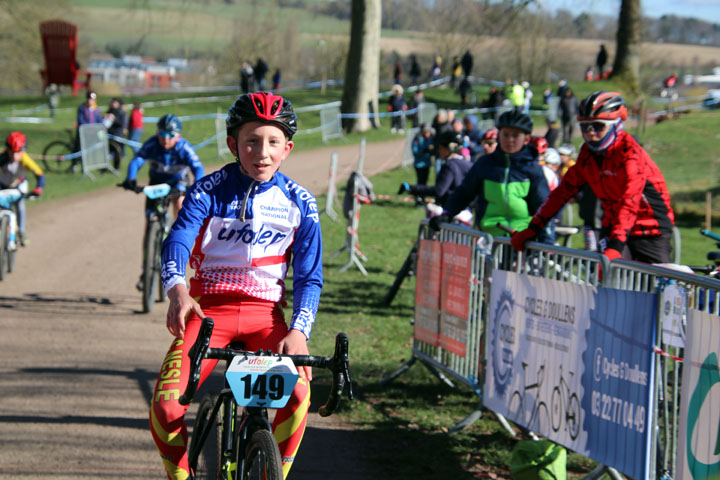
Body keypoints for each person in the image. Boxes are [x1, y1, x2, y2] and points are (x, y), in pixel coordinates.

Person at [149, 91, 321, 480]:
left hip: (266, 318)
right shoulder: (207, 191)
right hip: (208, 313)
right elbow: (177, 240)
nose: (262, 152)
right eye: (251, 141)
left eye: (273, 142)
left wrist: (300, 330)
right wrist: (177, 289)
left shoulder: (301, 203)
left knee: (298, 396)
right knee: (166, 408)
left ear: (287, 148)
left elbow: (309, 276)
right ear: (233, 144)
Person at [510, 91, 675, 264]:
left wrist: (616, 246)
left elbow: (629, 202)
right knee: (607, 280)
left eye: (598, 126)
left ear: (616, 124)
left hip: (649, 229)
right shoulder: (587, 154)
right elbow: (562, 192)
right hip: (612, 226)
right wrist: (534, 227)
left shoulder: (630, 155)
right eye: (584, 127)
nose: (590, 133)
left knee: (655, 285)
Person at [432, 110, 550, 239]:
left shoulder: (533, 169)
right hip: (488, 238)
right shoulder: (485, 164)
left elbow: (544, 208)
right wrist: (447, 213)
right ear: (499, 135)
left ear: (526, 139)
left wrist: (546, 242)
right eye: (505, 135)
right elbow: (464, 192)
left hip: (522, 239)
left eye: (515, 135)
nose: (510, 140)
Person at [121, 114, 204, 218]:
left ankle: (178, 231)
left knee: (179, 202)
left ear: (178, 136)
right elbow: (136, 161)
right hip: (157, 180)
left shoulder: (184, 147)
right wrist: (131, 178)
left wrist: (197, 184)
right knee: (150, 215)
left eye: (171, 135)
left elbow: (198, 168)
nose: (166, 139)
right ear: (157, 133)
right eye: (162, 134)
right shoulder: (152, 144)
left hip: (178, 180)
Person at [398, 130, 472, 222]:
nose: (439, 151)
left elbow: (439, 190)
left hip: (452, 215)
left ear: (449, 148)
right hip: (467, 214)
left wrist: (412, 188)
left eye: (441, 148)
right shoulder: (468, 165)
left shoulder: (449, 165)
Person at [0, 132, 45, 246]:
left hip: (19, 187)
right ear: (7, 150)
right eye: (12, 152)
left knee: (20, 204)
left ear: (23, 151)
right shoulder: (2, 158)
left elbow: (40, 174)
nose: (15, 156)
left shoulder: (25, 159)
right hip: (3, 186)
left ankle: (21, 231)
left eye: (18, 153)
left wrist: (38, 189)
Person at [104, 97, 127, 170]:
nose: (113, 104)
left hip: (118, 135)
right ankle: (105, 167)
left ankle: (117, 167)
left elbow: (122, 123)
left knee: (117, 152)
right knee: (107, 151)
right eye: (112, 103)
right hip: (109, 135)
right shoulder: (109, 111)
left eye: (115, 103)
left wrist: (114, 118)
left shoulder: (121, 112)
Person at [410, 123, 435, 189]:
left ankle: (422, 195)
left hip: (427, 164)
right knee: (420, 181)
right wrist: (424, 150)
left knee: (425, 181)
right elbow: (415, 152)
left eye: (429, 132)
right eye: (426, 132)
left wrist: (432, 151)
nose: (428, 134)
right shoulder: (417, 139)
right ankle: (419, 195)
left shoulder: (431, 139)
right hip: (419, 164)